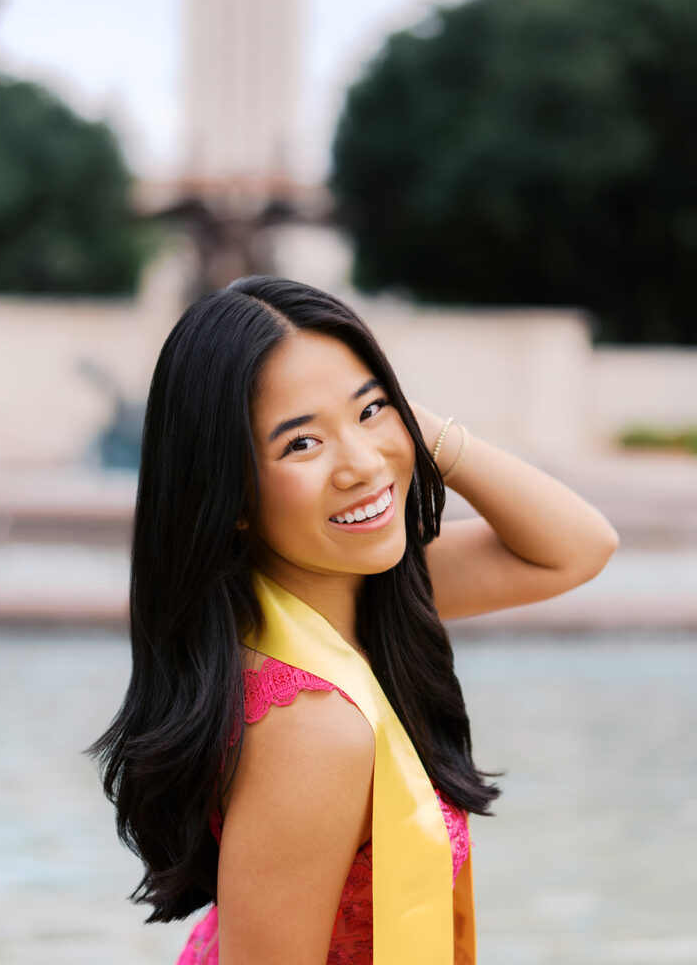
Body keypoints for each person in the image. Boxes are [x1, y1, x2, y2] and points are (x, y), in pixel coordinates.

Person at [90, 276, 618, 965]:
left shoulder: (339, 596)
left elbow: (579, 547)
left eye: (372, 411)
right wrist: (365, 413)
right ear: (232, 491)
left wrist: (400, 424)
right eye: (301, 444)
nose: (362, 465)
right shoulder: (313, 728)